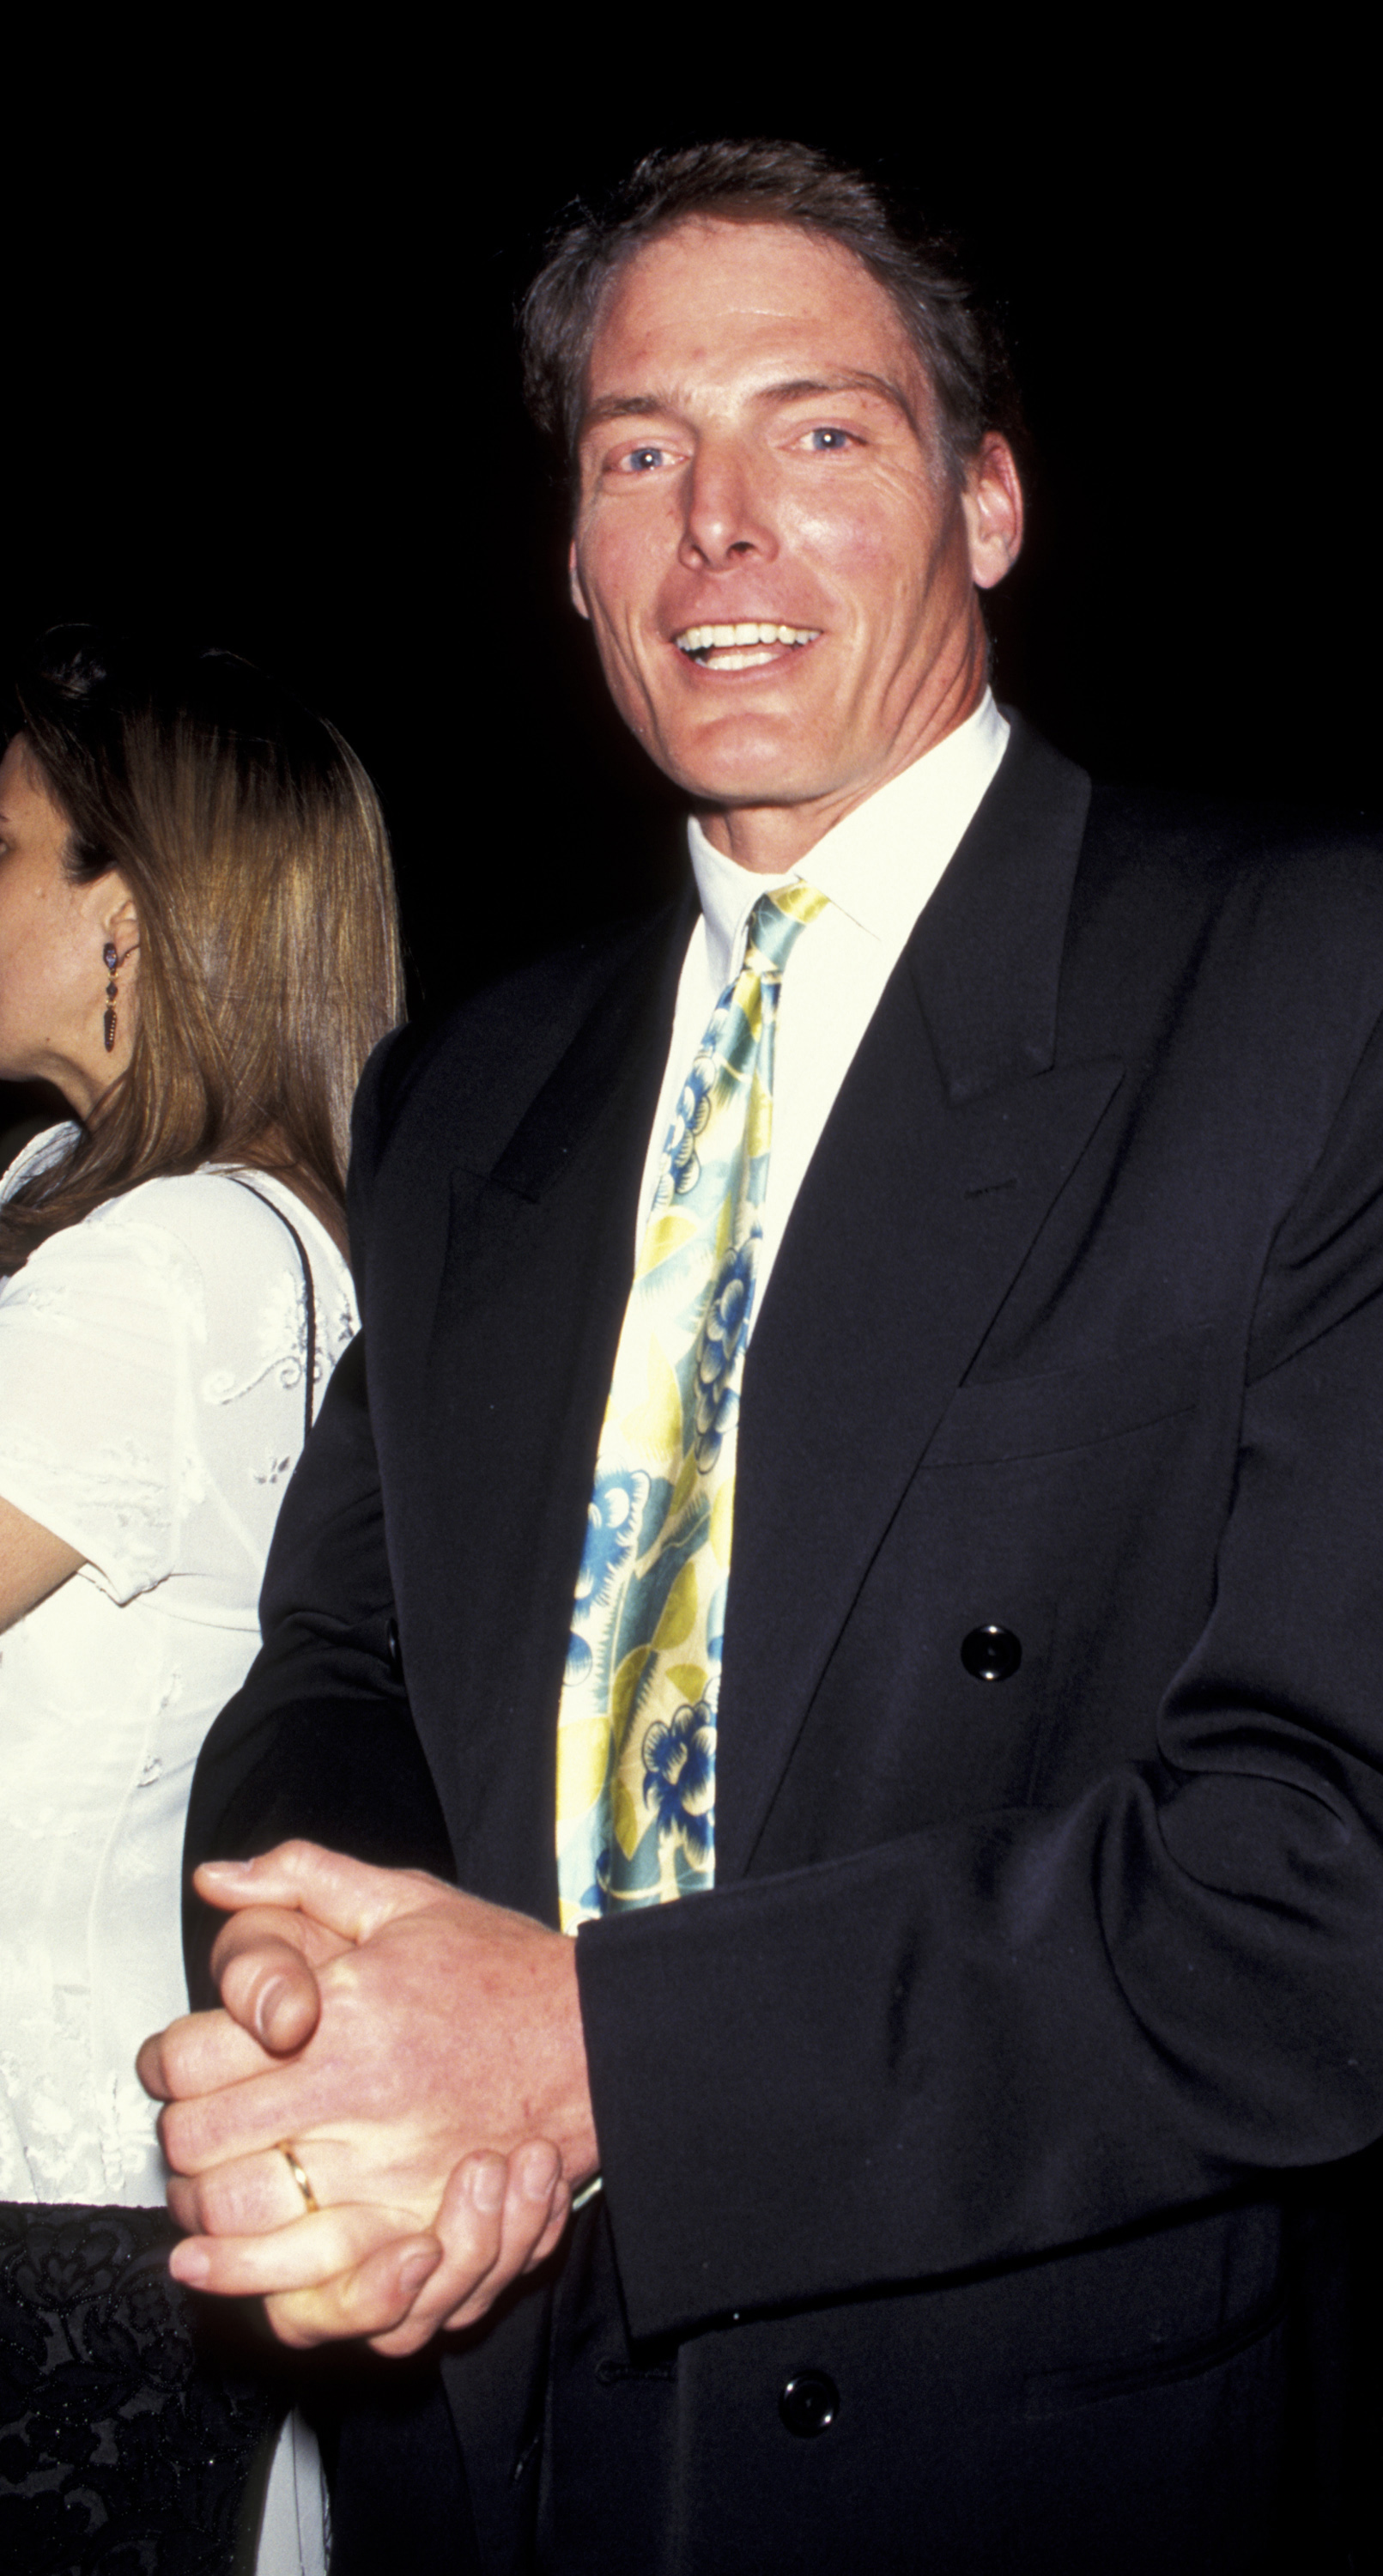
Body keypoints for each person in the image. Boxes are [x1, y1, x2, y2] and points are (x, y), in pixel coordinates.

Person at [142, 143, 1383, 2573]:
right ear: (572, 555)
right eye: (641, 454)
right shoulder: (467, 1092)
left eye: (817, 433)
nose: (718, 527)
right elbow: (342, 1653)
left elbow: (1369, 1871)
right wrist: (344, 2007)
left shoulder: (1353, 997)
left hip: (1010, 2437)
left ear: (991, 501)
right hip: (473, 2419)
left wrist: (594, 2057)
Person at [0, 630, 402, 2571]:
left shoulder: (154, 1271)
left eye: (3, 849)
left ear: (131, 921)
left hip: (48, 2199)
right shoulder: (274, 1230)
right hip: (144, 2164)